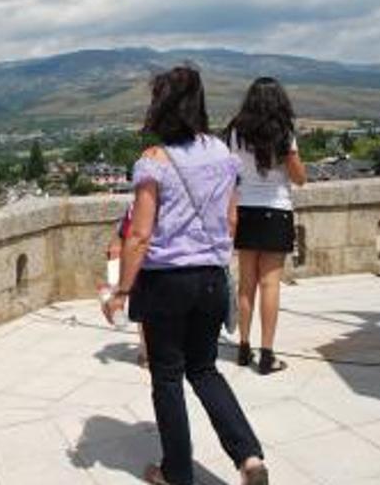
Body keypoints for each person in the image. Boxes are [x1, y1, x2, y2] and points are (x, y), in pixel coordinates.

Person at [103, 66, 268, 485]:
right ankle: (249, 457)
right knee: (205, 369)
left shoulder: (154, 161)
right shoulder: (222, 155)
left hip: (166, 283)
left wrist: (121, 290)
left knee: (168, 377)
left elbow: (139, 234)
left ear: (161, 108)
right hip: (211, 278)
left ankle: (176, 472)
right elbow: (231, 221)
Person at [226, 77, 306, 375]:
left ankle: (244, 348)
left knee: (247, 284)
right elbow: (299, 178)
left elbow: (231, 174)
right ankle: (267, 354)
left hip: (245, 210)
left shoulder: (234, 131)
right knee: (270, 284)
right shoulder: (283, 132)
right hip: (276, 210)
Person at [105, 202, 148, 365]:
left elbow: (128, 236)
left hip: (142, 266)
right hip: (175, 267)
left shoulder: (139, 204)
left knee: (144, 314)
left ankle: (147, 355)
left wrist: (119, 291)